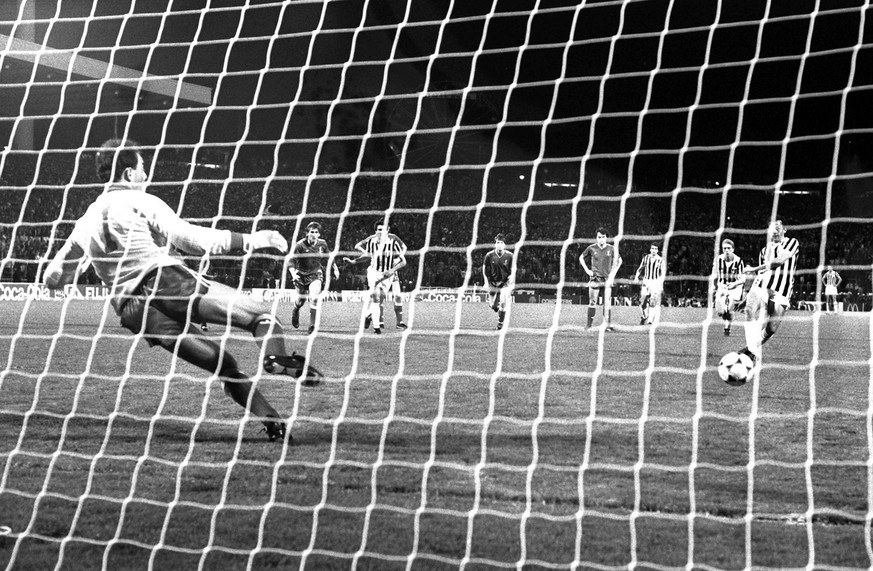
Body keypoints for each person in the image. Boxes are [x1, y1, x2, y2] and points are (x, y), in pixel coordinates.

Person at [42, 139, 321, 444]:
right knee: (260, 316)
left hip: (135, 312)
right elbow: (190, 239)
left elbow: (52, 278)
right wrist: (255, 239)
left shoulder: (86, 220)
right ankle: (276, 359)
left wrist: (77, 266)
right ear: (128, 173)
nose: (146, 173)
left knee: (225, 366)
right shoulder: (141, 200)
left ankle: (272, 422)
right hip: (163, 281)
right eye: (142, 167)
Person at [736, 220, 799, 380]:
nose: (775, 232)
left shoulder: (792, 243)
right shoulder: (764, 250)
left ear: (784, 229)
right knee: (750, 309)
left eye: (778, 229)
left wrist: (753, 269)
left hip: (782, 292)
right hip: (763, 287)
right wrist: (748, 294)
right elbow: (762, 274)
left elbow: (778, 261)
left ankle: (750, 349)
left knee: (771, 328)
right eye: (772, 229)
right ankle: (752, 353)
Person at [343, 220, 407, 334]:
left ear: (388, 231)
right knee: (376, 297)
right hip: (373, 272)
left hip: (387, 275)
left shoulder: (392, 242)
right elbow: (367, 256)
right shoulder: (371, 242)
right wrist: (353, 262)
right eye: (378, 230)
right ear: (375, 231)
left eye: (383, 230)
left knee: (380, 299)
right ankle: (376, 328)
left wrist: (392, 270)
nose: (380, 232)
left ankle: (368, 315)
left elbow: (403, 262)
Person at [288, 221, 339, 334]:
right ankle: (295, 310)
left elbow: (329, 256)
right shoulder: (299, 245)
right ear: (307, 233)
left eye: (316, 232)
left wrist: (335, 268)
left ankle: (312, 325)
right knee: (301, 300)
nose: (314, 234)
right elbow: (290, 261)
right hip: (300, 275)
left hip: (316, 274)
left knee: (314, 297)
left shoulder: (323, 244)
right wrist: (293, 274)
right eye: (311, 232)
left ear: (319, 234)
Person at [579, 227, 622, 330]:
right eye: (599, 237)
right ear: (596, 238)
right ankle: (588, 326)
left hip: (607, 279)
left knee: (607, 303)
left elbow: (619, 261)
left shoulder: (612, 249)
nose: (601, 239)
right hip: (595, 279)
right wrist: (587, 270)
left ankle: (607, 325)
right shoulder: (591, 248)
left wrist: (612, 275)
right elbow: (581, 258)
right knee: (592, 301)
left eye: (603, 237)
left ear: (606, 238)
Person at [713, 238, 746, 336]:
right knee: (720, 311)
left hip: (735, 287)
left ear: (733, 249)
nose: (726, 250)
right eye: (724, 248)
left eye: (728, 248)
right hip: (722, 286)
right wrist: (714, 287)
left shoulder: (739, 261)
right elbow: (714, 275)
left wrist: (734, 284)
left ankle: (727, 327)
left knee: (729, 308)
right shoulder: (718, 259)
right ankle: (730, 318)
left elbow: (743, 279)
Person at [482, 233, 513, 330]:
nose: (499, 244)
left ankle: (500, 324)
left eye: (501, 242)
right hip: (493, 282)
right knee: (494, 306)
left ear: (504, 245)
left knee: (503, 303)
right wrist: (486, 282)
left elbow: (514, 267)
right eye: (498, 242)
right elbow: (484, 268)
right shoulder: (489, 255)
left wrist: (512, 275)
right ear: (495, 244)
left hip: (505, 283)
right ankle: (493, 305)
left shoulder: (510, 256)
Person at [633, 243, 664, 326]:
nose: (654, 250)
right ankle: (644, 316)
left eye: (655, 249)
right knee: (642, 302)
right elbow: (640, 269)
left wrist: (661, 284)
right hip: (646, 281)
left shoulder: (660, 260)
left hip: (655, 282)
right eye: (652, 248)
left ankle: (650, 321)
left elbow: (662, 273)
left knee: (653, 301)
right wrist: (636, 277)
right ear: (650, 250)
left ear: (657, 250)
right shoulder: (646, 258)